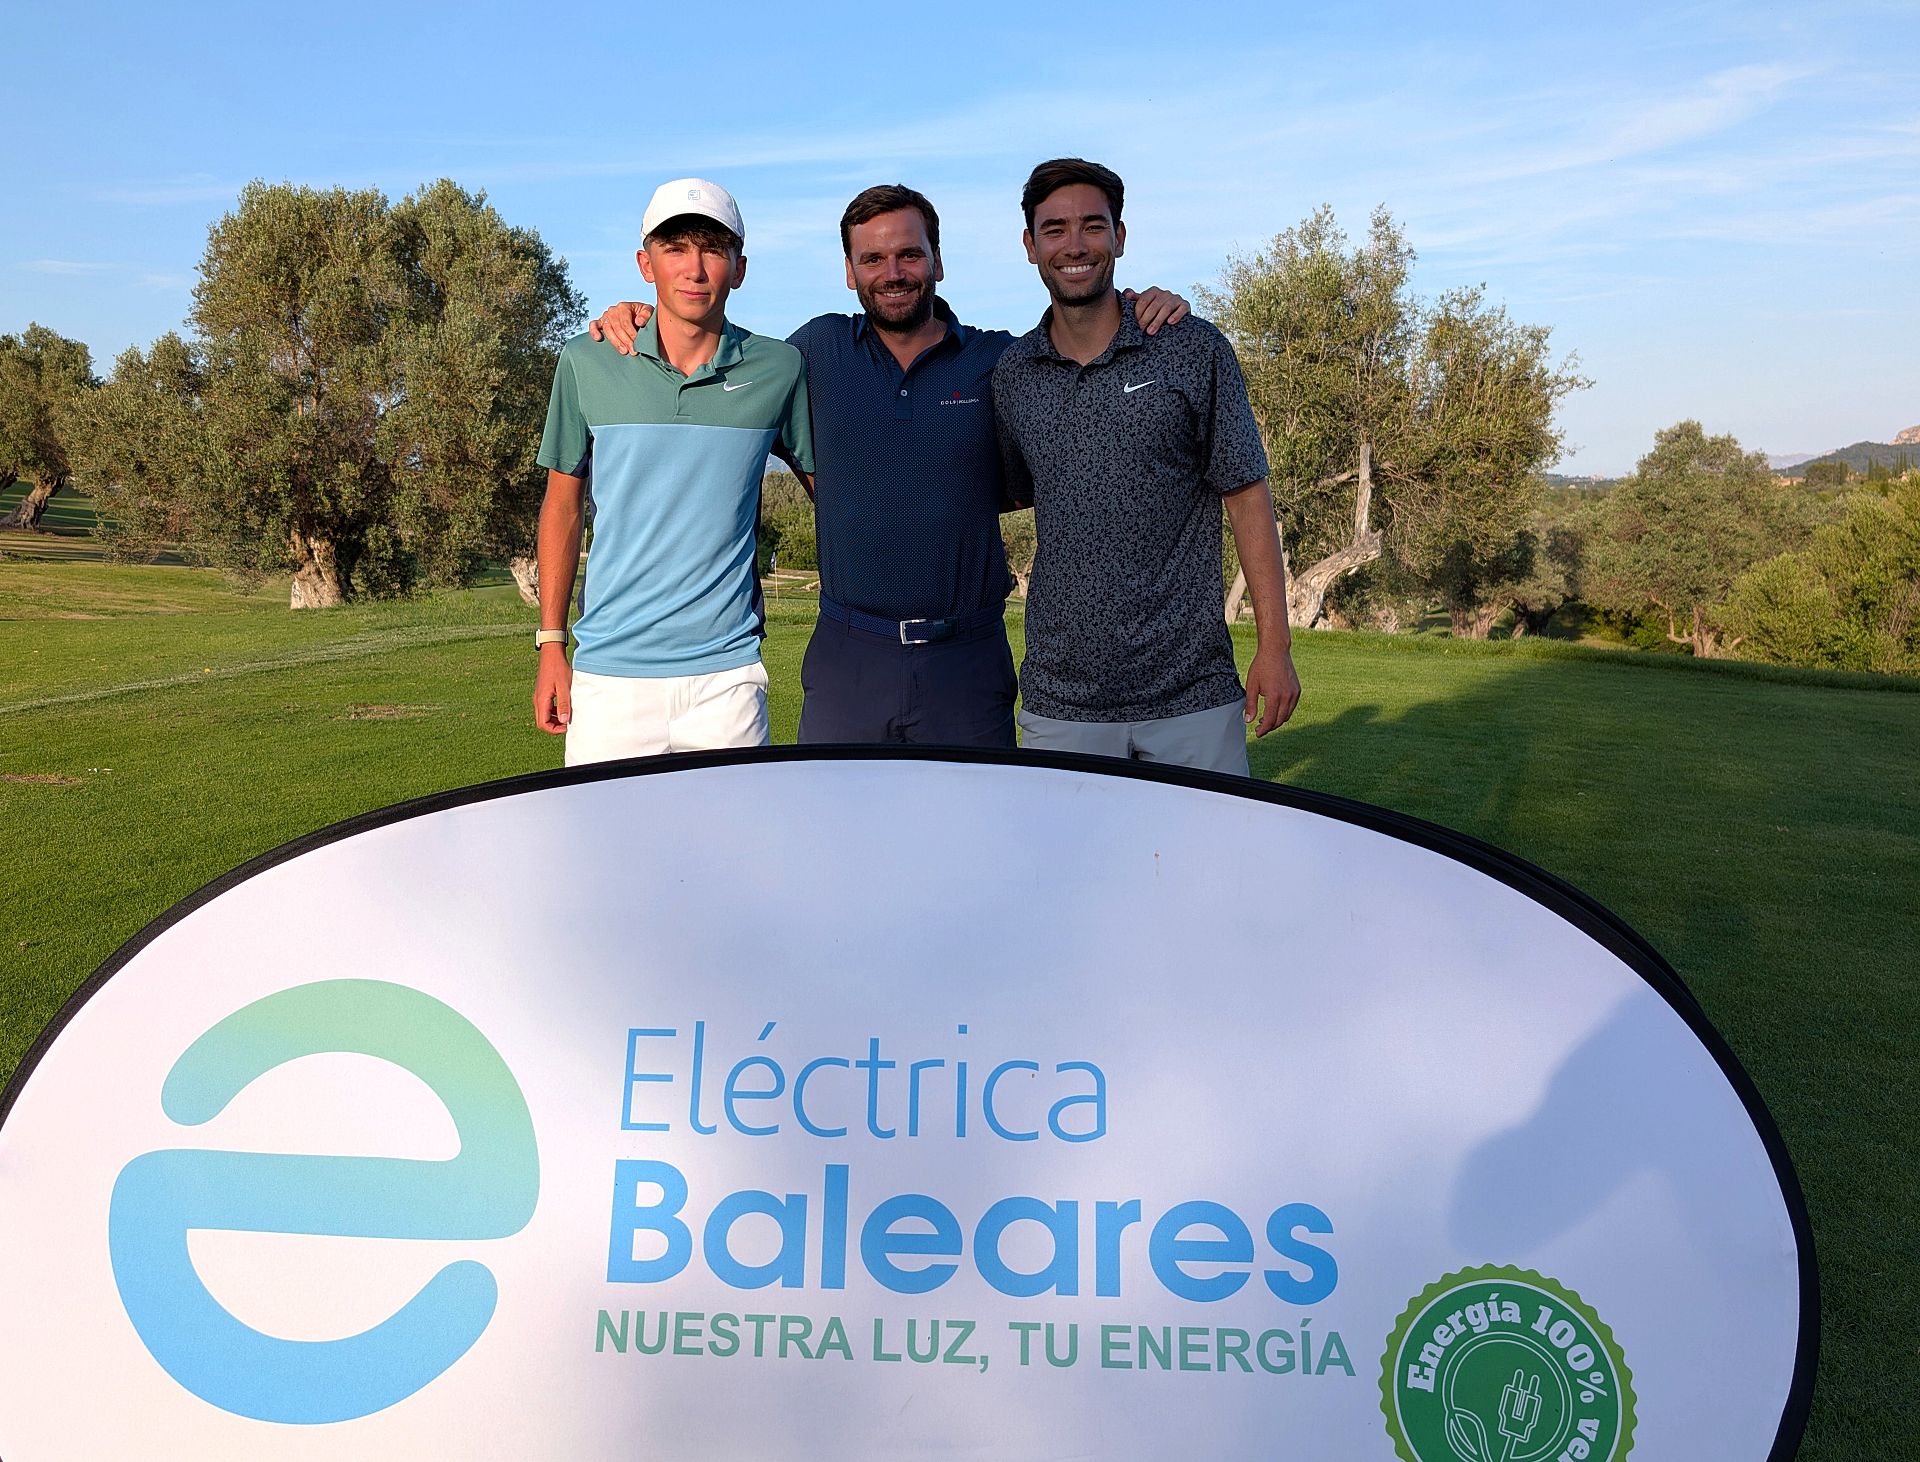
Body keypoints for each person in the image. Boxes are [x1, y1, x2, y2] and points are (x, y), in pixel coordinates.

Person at [589, 184, 1189, 747]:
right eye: (872, 259)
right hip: (850, 657)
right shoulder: (815, 352)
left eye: (909, 254)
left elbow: (1082, 347)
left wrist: (1136, 306)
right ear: (849, 273)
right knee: (836, 844)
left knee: (973, 842)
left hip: (968, 661)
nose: (893, 272)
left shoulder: (999, 360)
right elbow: (729, 376)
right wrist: (641, 315)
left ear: (937, 261)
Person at [992, 158, 1300, 775]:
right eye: (1054, 230)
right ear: (1029, 246)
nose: (1074, 245)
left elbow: (1247, 496)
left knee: (1206, 871)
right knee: (1074, 872)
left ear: (1120, 237)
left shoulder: (1191, 347)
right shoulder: (1013, 375)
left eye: (1092, 226)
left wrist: (1275, 646)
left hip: (1192, 696)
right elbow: (1019, 492)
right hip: (1062, 703)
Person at [533, 178, 812, 764]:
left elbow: (833, 493)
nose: (694, 268)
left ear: (739, 268)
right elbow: (562, 504)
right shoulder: (587, 361)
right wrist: (551, 645)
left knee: (728, 853)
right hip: (610, 676)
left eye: (713, 249)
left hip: (727, 677)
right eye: (675, 248)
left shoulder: (779, 369)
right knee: (606, 854)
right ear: (645, 263)